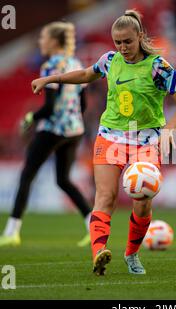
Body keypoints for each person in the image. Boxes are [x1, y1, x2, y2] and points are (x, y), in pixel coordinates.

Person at [31, 10, 176, 275]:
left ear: (140, 36)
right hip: (110, 137)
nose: (122, 48)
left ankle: (132, 254)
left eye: (127, 41)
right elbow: (85, 75)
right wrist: (51, 79)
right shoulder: (109, 60)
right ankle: (99, 256)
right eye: (117, 42)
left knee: (142, 201)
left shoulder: (158, 66)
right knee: (104, 197)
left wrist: (170, 130)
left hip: (146, 141)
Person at [0, 22, 92, 248]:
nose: (41, 42)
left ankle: (12, 231)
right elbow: (83, 104)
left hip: (53, 130)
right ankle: (94, 226)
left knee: (27, 175)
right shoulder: (76, 63)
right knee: (63, 180)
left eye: (44, 38)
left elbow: (50, 108)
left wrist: (30, 118)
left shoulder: (51, 66)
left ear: (54, 41)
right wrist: (71, 119)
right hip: (74, 130)